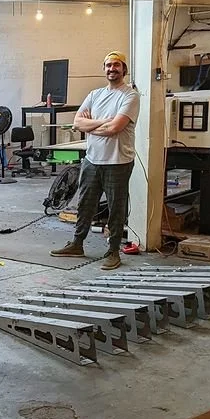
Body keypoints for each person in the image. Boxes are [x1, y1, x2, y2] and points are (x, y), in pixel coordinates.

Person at [50, 51, 140, 270]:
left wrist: (95, 125)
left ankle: (113, 251)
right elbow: (77, 123)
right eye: (108, 65)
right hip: (92, 159)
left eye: (116, 65)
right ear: (104, 69)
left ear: (124, 70)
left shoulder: (130, 96)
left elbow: (115, 128)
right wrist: (103, 122)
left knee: (116, 208)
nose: (112, 69)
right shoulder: (94, 95)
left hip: (118, 161)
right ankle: (77, 244)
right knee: (85, 204)